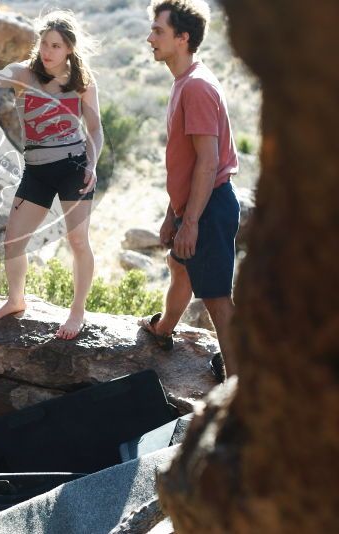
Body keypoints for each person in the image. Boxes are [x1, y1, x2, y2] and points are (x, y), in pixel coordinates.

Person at [0, 10, 103, 340]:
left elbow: (95, 129)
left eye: (56, 46)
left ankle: (77, 311)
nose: (47, 51)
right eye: (44, 44)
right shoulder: (24, 73)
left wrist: (91, 164)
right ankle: (15, 300)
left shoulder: (82, 82)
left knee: (78, 241)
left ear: (69, 50)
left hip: (74, 167)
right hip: (37, 171)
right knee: (14, 241)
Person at [139, 0, 240, 380]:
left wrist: (192, 221)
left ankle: (237, 384)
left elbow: (207, 163)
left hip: (211, 205)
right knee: (178, 267)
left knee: (216, 299)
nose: (150, 38)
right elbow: (184, 162)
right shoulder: (184, 81)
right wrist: (173, 215)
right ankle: (164, 329)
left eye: (158, 31)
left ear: (182, 38)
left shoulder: (196, 87)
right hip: (197, 203)